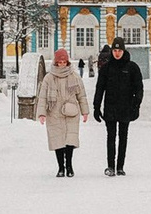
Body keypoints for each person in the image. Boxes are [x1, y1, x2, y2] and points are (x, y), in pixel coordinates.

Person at [94, 38, 144, 175]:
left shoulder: (132, 67)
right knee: (111, 137)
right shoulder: (106, 68)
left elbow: (138, 88)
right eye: (115, 51)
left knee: (123, 137)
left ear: (124, 51)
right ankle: (110, 166)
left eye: (119, 50)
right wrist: (96, 107)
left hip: (125, 108)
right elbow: (100, 89)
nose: (117, 53)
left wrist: (136, 105)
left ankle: (120, 166)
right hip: (110, 107)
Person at [38, 49, 87, 177]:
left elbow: (81, 95)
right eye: (59, 61)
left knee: (70, 140)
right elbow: (42, 96)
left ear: (67, 61)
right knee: (58, 140)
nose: (62, 64)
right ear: (56, 62)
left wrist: (85, 112)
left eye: (64, 61)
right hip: (54, 112)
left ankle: (69, 166)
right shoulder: (49, 78)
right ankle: (61, 167)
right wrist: (42, 113)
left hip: (71, 112)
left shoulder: (74, 76)